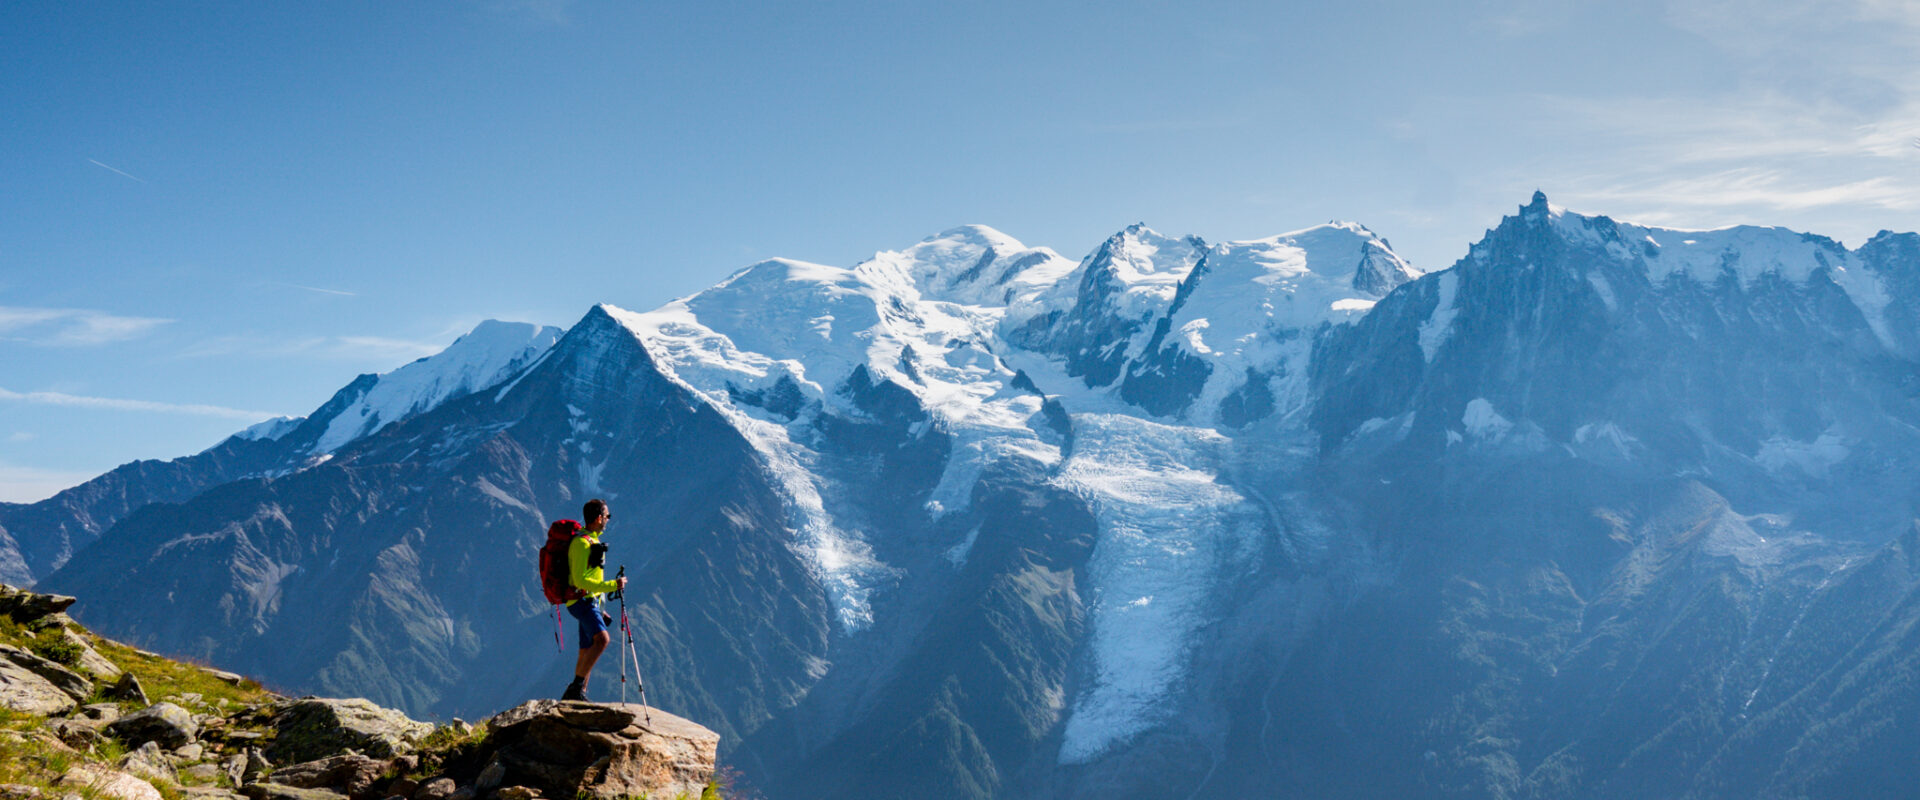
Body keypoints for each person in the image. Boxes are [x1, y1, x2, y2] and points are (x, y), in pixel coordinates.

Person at [562, 498, 627, 701]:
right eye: (607, 516)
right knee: (602, 640)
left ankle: (578, 694)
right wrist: (612, 586)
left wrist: (600, 607)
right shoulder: (582, 543)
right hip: (581, 601)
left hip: (589, 602)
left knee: (586, 648)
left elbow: (589, 578)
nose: (608, 520)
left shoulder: (590, 540)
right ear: (599, 518)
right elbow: (581, 580)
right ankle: (576, 688)